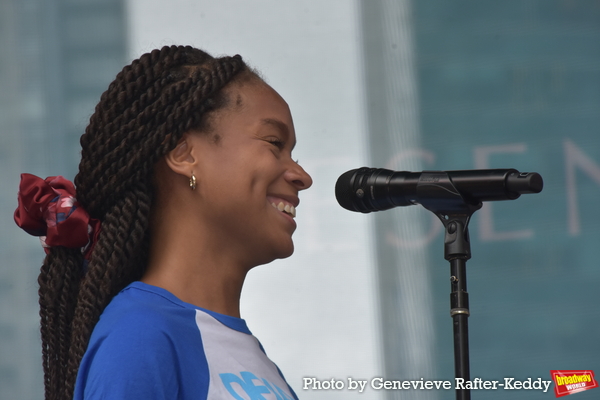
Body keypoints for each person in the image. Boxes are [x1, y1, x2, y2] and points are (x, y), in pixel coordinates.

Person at [14, 45, 312, 400]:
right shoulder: (141, 337)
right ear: (183, 154)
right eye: (274, 143)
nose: (301, 175)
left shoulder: (250, 357)